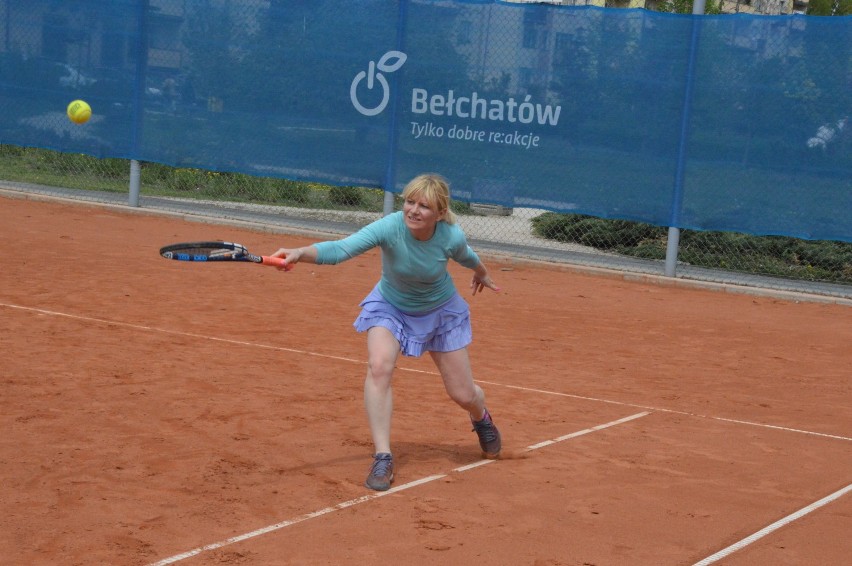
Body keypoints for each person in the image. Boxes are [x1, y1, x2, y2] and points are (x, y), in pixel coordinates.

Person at [270, 173, 502, 491]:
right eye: (409, 201)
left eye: (424, 206)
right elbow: (341, 250)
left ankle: (481, 416)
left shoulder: (450, 236)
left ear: (440, 213)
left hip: (439, 312)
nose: (413, 210)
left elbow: (469, 258)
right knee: (379, 367)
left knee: (462, 394)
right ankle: (383, 456)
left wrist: (482, 274)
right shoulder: (390, 226)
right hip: (391, 307)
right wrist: (300, 252)